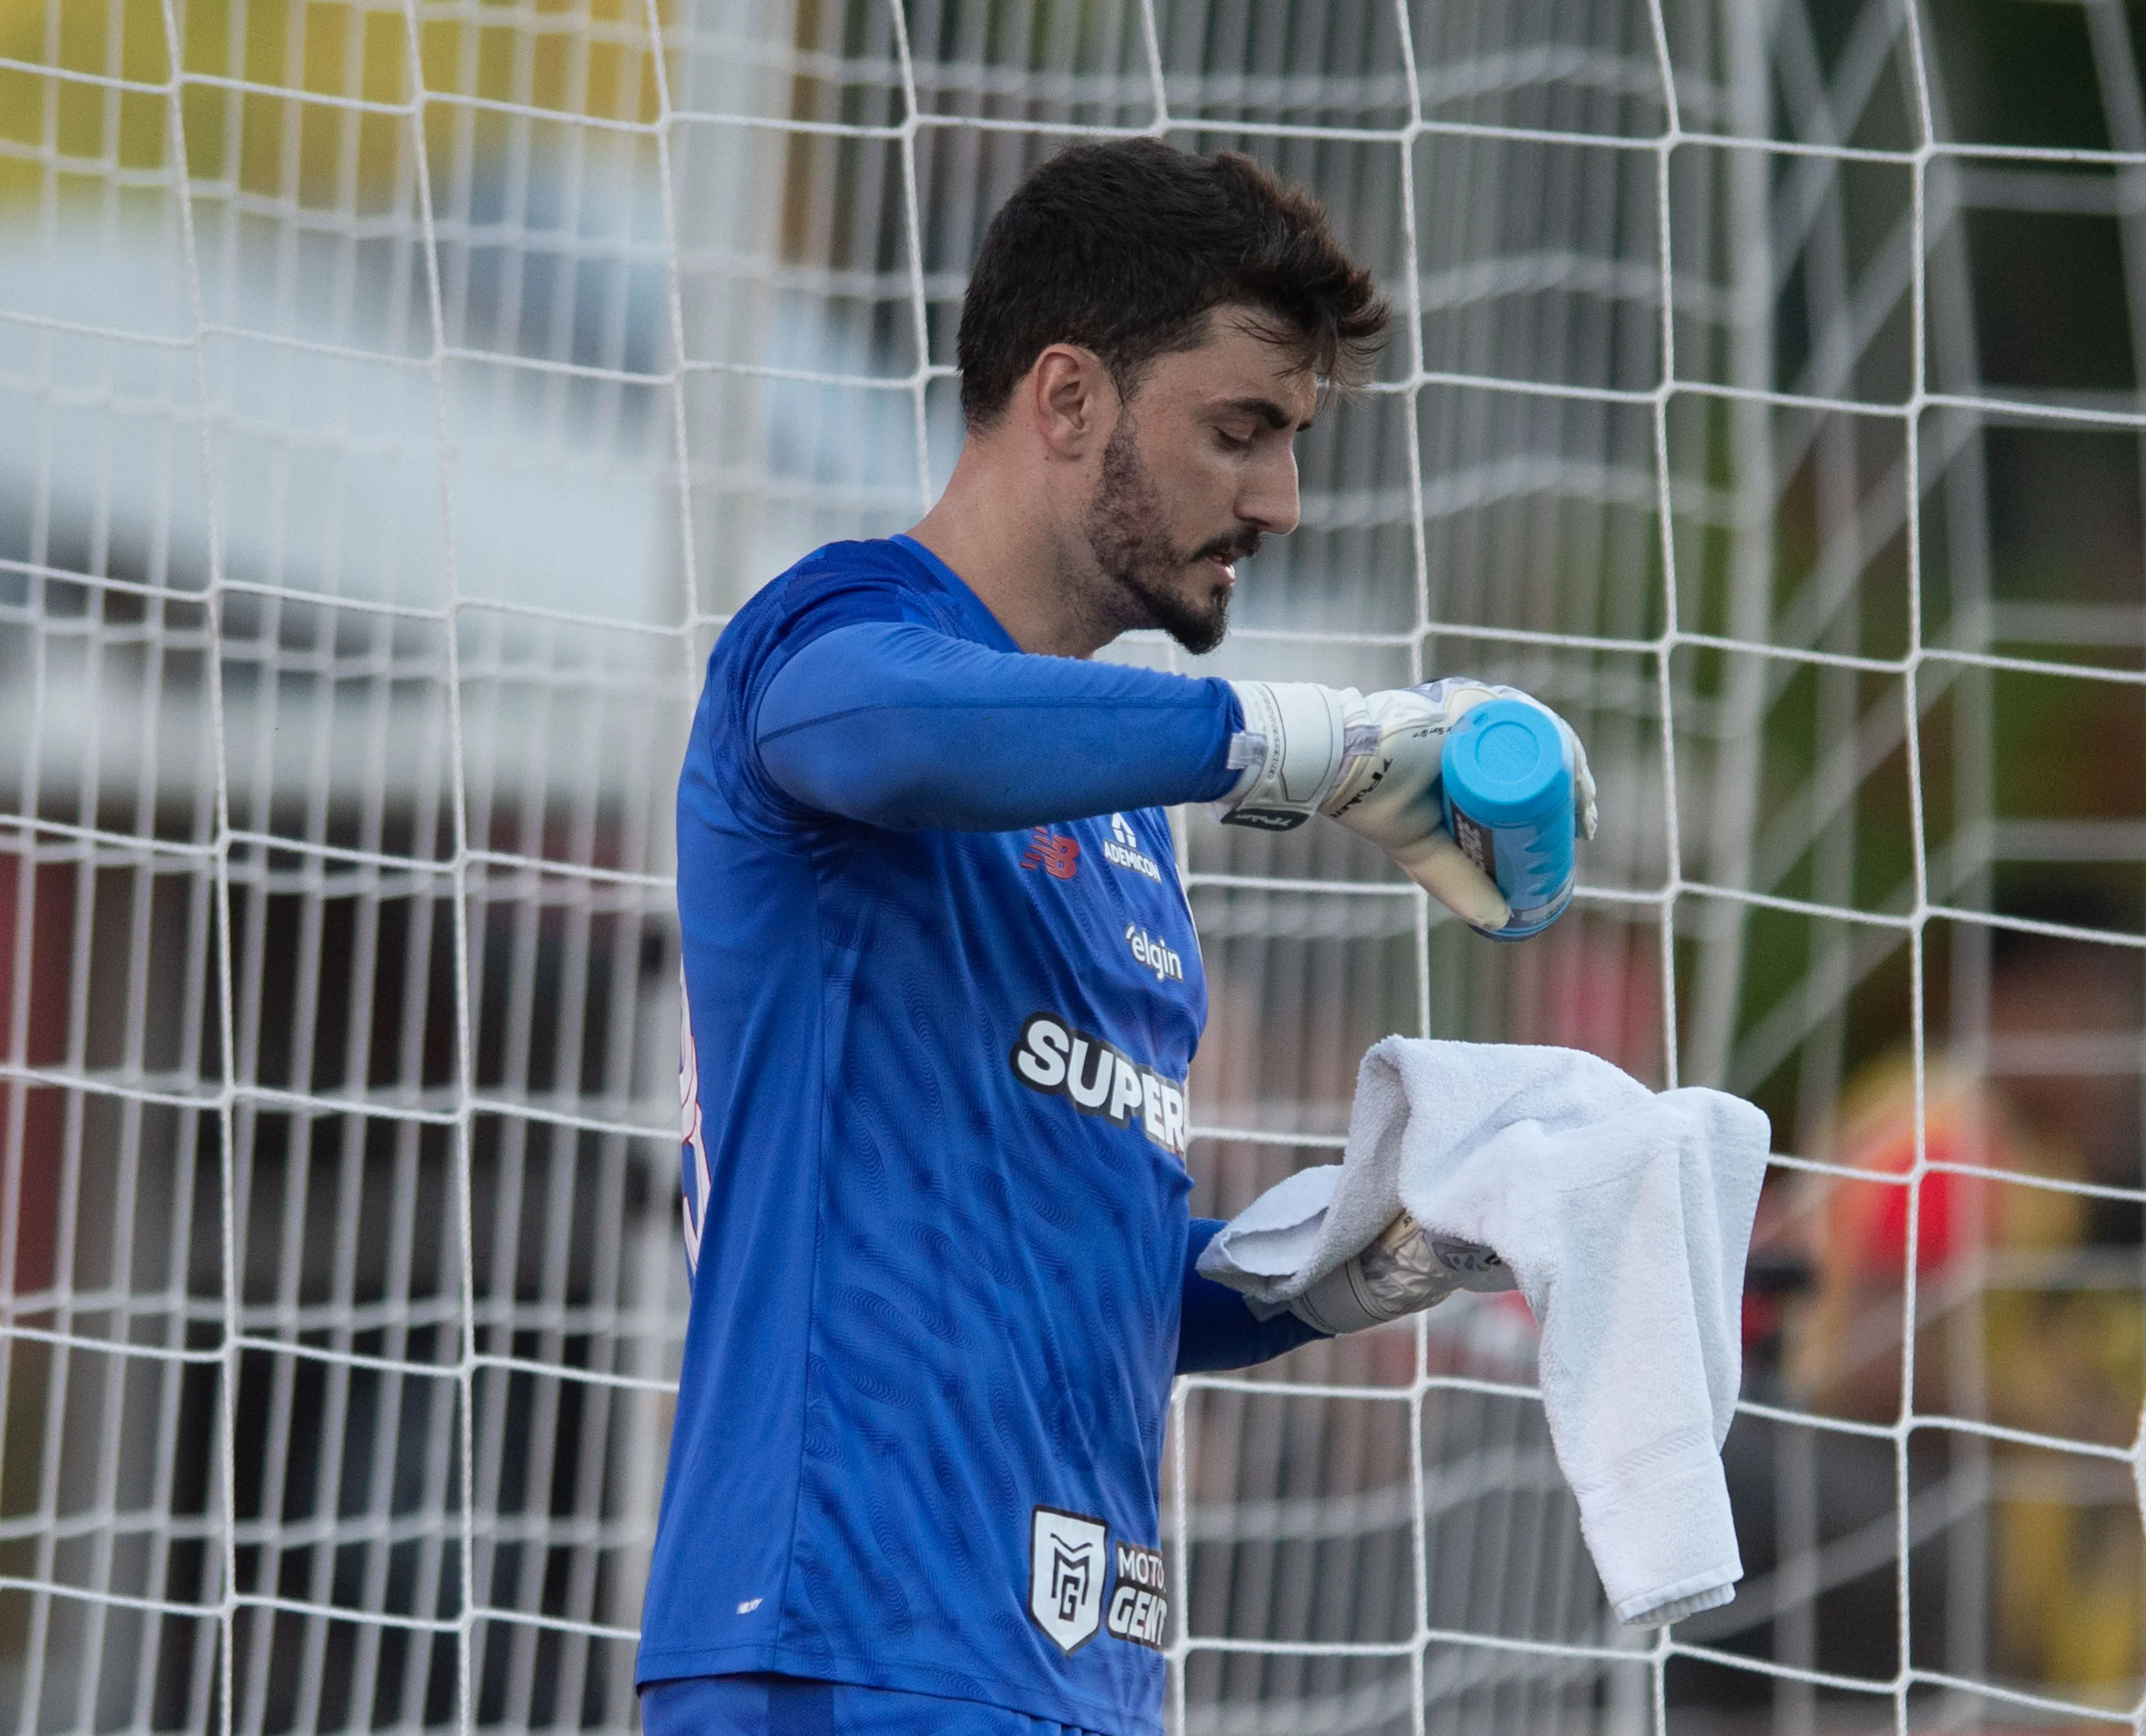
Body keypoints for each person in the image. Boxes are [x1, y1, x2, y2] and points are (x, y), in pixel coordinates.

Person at [635, 138, 1598, 1736]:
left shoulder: (1135, 826)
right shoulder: (829, 638)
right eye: (1241, 431)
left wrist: (1393, 1246)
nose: (1280, 499)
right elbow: (888, 733)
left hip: (1077, 1667)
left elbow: (1108, 1281)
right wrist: (1311, 745)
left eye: (1293, 443)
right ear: (1068, 398)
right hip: (842, 1650)